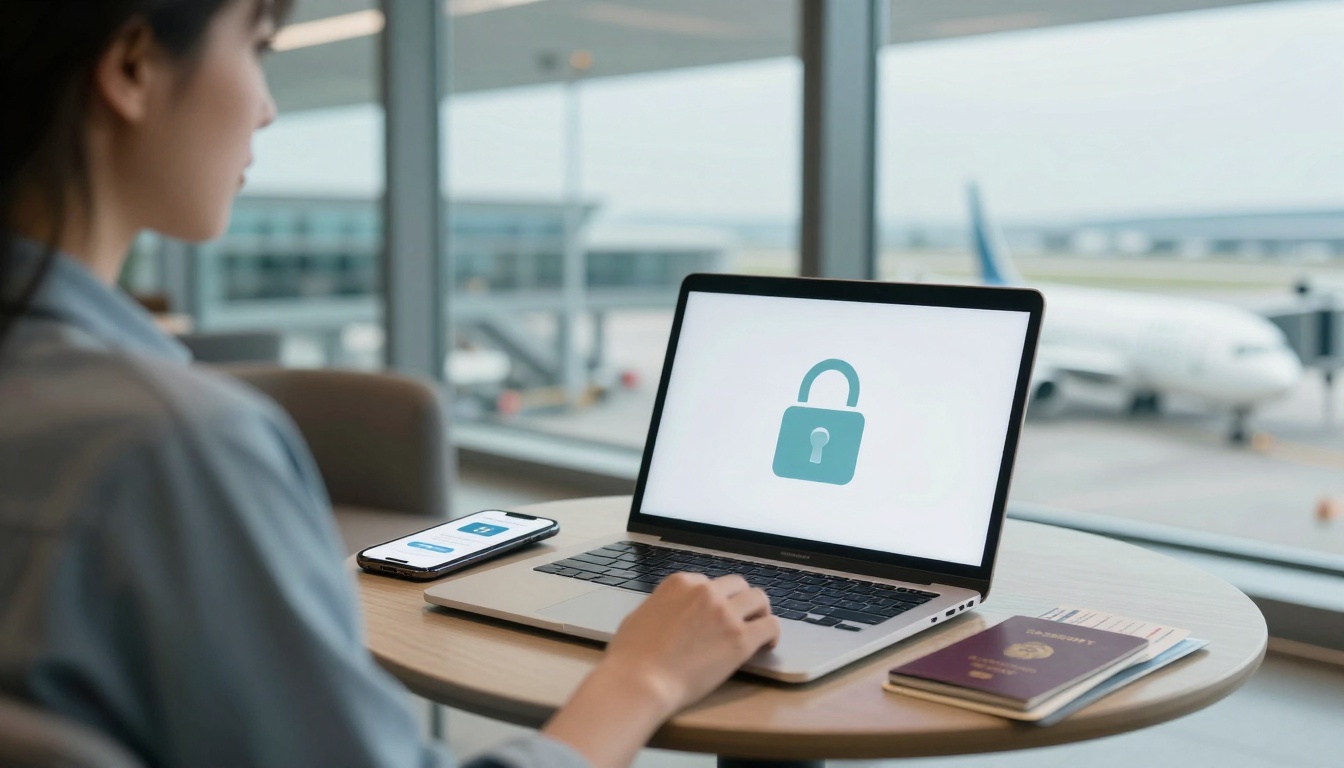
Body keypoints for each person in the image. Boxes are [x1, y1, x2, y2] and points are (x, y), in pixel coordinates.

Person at [0, 2, 781, 766]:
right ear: (134, 68)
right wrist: (643, 676)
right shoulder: (172, 446)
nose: (267, 109)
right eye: (260, 45)